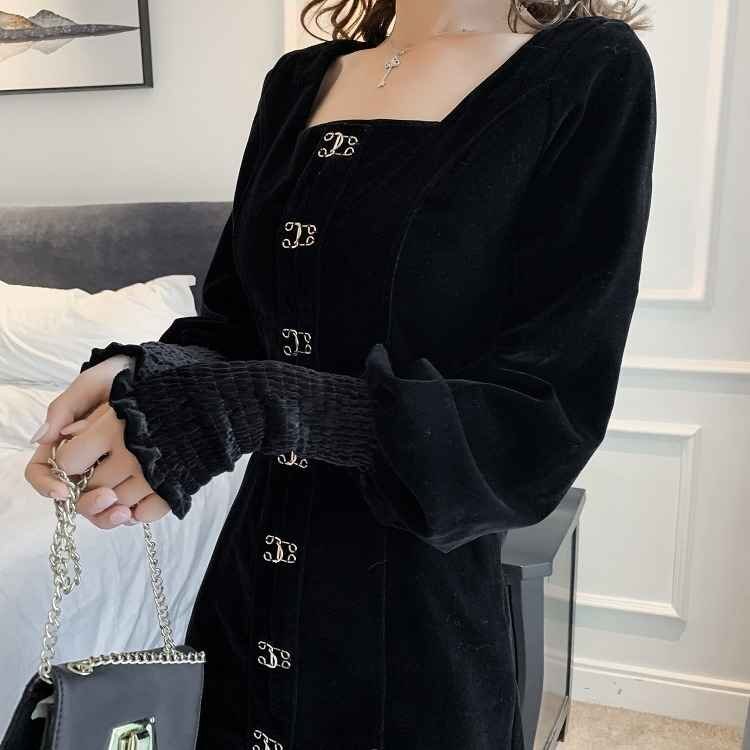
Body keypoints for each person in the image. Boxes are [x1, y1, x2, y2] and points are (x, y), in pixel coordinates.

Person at [24, 0, 657, 747]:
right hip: (249, 601)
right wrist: (139, 373)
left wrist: (248, 406)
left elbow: (538, 426)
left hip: (414, 637)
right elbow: (236, 324)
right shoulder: (298, 82)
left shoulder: (587, 71)